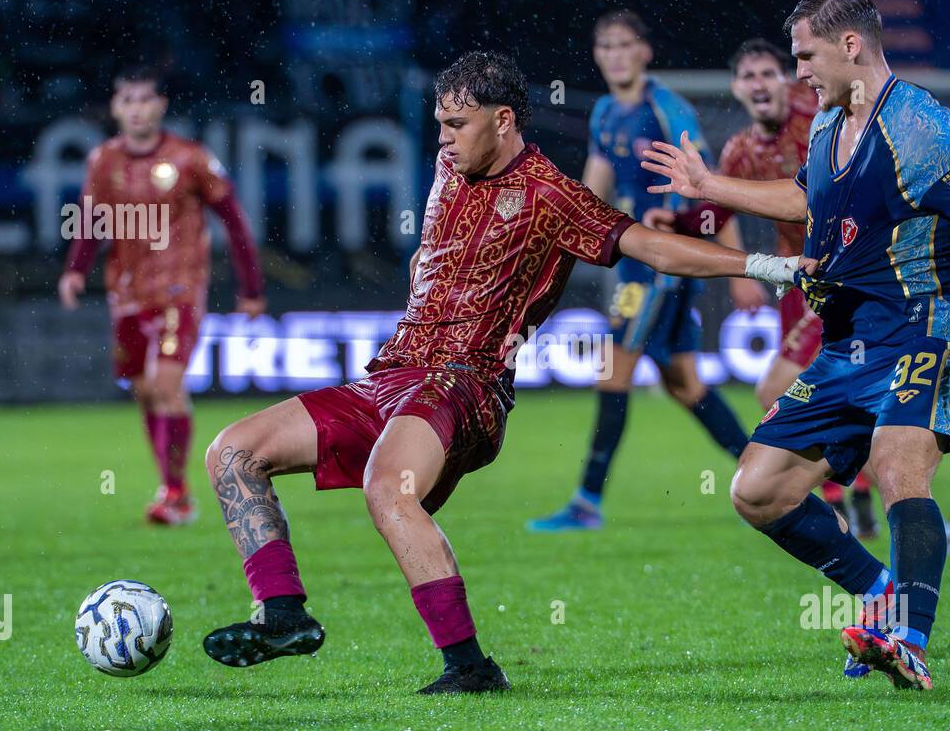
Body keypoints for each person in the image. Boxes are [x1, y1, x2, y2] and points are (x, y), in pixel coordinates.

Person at [199, 51, 795, 694]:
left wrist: (771, 267)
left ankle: (470, 668)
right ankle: (283, 614)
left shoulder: (550, 194)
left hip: (467, 384)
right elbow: (433, 253)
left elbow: (647, 246)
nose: (445, 139)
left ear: (503, 119)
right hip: (390, 374)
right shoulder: (447, 165)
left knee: (388, 486)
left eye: (458, 124)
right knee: (232, 452)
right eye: (440, 124)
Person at [641, 0, 950, 690]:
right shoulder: (825, 123)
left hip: (925, 326)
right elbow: (805, 197)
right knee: (756, 490)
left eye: (805, 55)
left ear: (850, 45)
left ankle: (909, 638)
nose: (799, 73)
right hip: (849, 337)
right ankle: (882, 591)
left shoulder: (918, 123)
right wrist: (710, 187)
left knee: (895, 463)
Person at [527, 10, 752, 533]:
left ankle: (586, 501)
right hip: (636, 263)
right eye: (605, 46)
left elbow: (711, 191)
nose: (615, 55)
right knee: (684, 383)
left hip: (661, 267)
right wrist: (555, 238)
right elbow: (592, 191)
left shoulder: (668, 110)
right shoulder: (606, 112)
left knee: (613, 369)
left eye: (625, 45)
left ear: (645, 52)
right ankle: (764, 473)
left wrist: (739, 271)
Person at [648, 37, 881, 543]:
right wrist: (681, 218)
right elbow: (720, 211)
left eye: (767, 73)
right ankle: (856, 491)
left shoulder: (824, 120)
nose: (758, 84)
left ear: (786, 79)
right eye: (748, 76)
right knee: (835, 397)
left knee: (777, 389)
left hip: (850, 274)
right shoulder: (740, 151)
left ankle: (856, 491)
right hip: (802, 283)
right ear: (736, 88)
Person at [59, 66, 265, 525]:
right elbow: (91, 220)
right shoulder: (103, 161)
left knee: (168, 385)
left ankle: (176, 495)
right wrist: (75, 271)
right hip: (127, 290)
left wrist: (251, 289)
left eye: (145, 99)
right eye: (127, 100)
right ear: (116, 108)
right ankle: (170, 486)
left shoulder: (190, 158)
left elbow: (233, 221)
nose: (136, 109)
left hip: (180, 288)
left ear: (161, 105)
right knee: (147, 389)